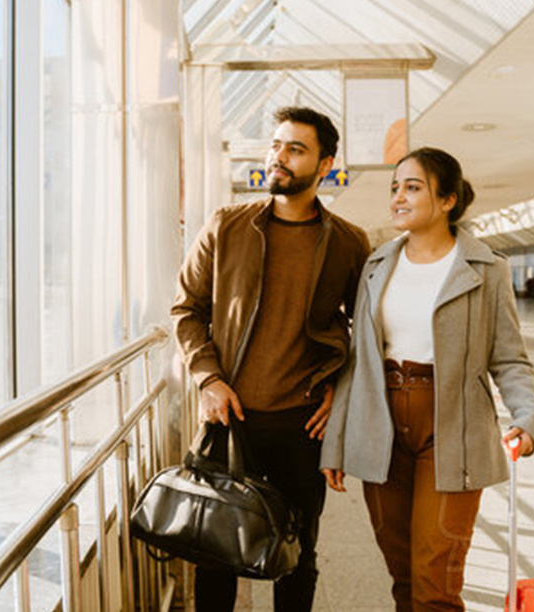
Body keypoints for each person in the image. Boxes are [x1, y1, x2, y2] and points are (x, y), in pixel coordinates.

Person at [320, 147, 534, 611]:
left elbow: (509, 359)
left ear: (447, 200)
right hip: (380, 427)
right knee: (402, 574)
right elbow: (359, 359)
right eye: (395, 188)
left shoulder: (486, 270)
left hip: (453, 431)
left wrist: (529, 417)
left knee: (435, 580)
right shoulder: (377, 266)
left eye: (413, 186)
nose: (398, 197)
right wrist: (336, 442)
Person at [171, 106, 370, 611]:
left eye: (295, 149)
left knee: (298, 555)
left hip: (302, 427)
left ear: (325, 165)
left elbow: (365, 332)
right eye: (276, 145)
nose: (278, 156)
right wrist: (208, 378)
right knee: (213, 553)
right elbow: (186, 308)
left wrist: (338, 392)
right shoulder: (226, 226)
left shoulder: (348, 242)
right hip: (229, 419)